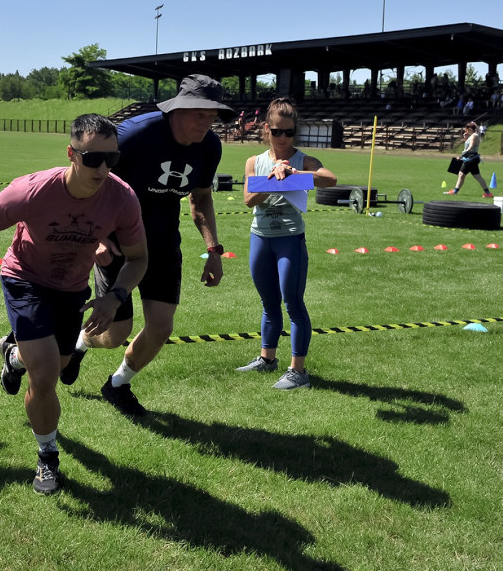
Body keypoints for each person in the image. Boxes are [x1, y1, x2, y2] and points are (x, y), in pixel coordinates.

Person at [0, 114, 147, 494]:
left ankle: (14, 357)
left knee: (61, 364)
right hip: (25, 279)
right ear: (71, 154)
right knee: (45, 376)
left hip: (72, 288)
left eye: (112, 159)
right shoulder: (32, 190)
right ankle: (48, 456)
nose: (104, 168)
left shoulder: (121, 197)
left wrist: (115, 296)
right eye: (93, 158)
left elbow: (139, 258)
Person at [67, 74, 235, 417]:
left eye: (213, 115)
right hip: (116, 244)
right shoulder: (133, 135)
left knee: (161, 326)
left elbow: (200, 198)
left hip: (161, 243)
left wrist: (213, 250)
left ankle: (118, 385)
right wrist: (96, 239)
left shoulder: (210, 147)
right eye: (200, 114)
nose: (207, 123)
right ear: (179, 108)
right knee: (114, 334)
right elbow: (86, 182)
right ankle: (79, 344)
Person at [234, 98, 337, 389]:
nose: (282, 138)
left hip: (289, 240)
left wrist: (294, 173)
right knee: (268, 304)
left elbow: (330, 179)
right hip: (260, 237)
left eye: (288, 132)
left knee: (293, 303)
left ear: (295, 132)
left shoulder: (303, 160)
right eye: (277, 131)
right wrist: (272, 181)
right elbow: (248, 199)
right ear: (266, 129)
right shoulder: (254, 161)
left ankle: (298, 372)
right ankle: (267, 359)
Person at [444, 121, 492, 197]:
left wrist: (461, 155)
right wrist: (466, 138)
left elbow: (471, 147)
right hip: (471, 158)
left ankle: (455, 191)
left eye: (466, 130)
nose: (465, 132)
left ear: (469, 129)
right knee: (474, 176)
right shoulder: (472, 136)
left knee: (462, 174)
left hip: (471, 158)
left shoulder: (474, 136)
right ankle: (488, 193)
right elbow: (469, 144)